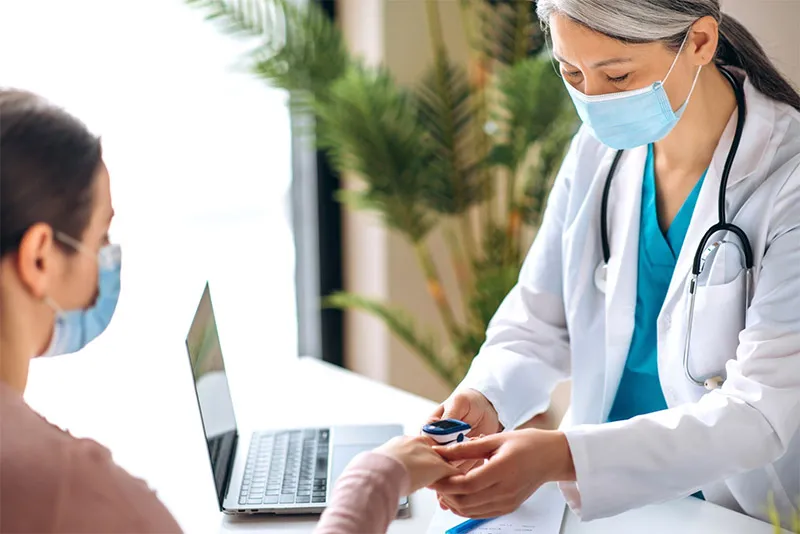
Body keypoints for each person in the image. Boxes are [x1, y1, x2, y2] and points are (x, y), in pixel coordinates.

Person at [0, 88, 457, 533]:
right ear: (40, 256)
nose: (108, 259)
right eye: (101, 237)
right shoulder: (78, 497)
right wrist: (374, 482)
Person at [427, 0, 800, 529]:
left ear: (699, 43)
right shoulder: (597, 151)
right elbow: (537, 321)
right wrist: (486, 395)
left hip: (735, 511)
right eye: (571, 72)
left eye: (617, 74)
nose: (593, 100)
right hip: (604, 504)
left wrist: (562, 456)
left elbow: (760, 413)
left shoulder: (788, 180)